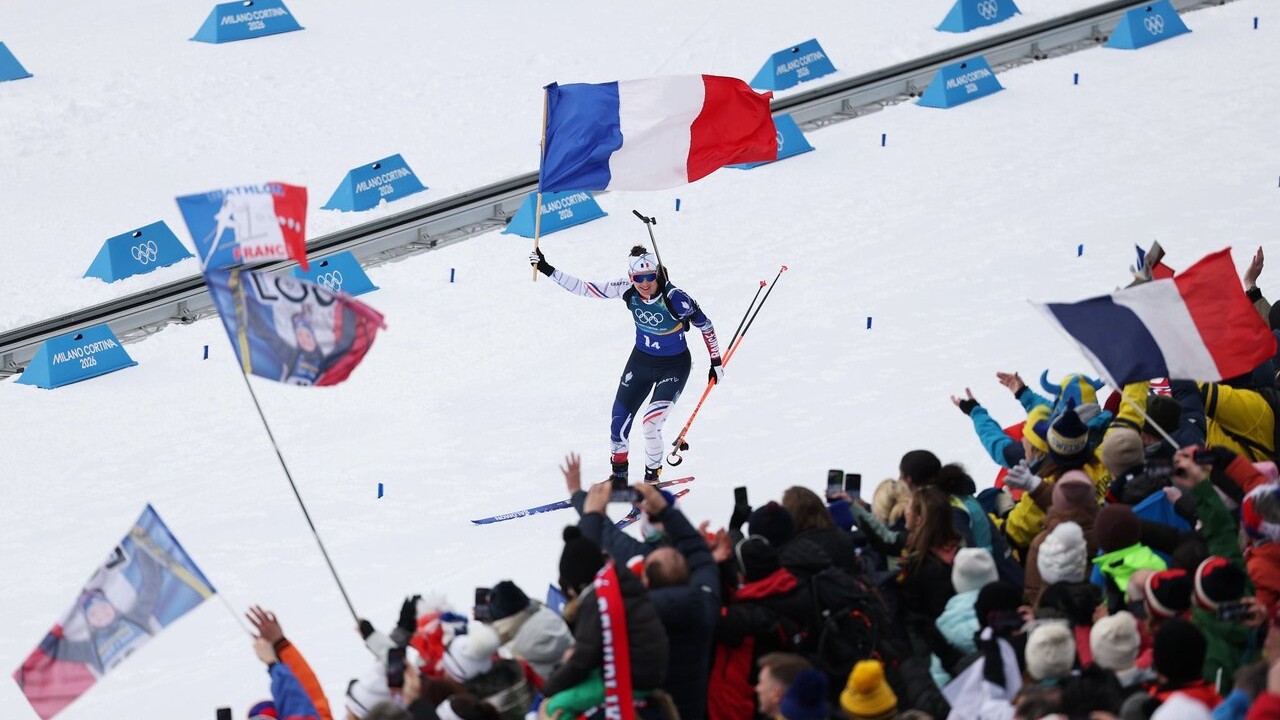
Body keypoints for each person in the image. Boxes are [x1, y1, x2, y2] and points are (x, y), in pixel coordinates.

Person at [530, 245, 722, 483]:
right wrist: (548, 269)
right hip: (641, 361)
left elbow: (706, 325)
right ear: (631, 277)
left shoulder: (675, 298)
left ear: (657, 275)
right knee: (618, 421)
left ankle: (652, 480)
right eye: (638, 278)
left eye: (649, 277)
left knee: (651, 425)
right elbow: (585, 288)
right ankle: (618, 478)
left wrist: (716, 361)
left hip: (673, 366)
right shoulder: (626, 289)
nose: (644, 283)